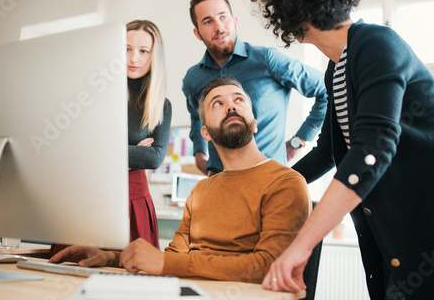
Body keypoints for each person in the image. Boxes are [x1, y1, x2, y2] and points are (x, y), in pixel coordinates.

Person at [253, 0, 434, 299]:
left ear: (293, 13)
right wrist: (269, 188)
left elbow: (372, 148)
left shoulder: (376, 43)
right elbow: (328, 153)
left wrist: (302, 244)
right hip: (399, 226)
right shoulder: (336, 68)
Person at [49, 77, 309, 284]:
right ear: (204, 133)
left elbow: (269, 267)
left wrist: (165, 264)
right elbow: (174, 259)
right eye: (217, 103)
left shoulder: (285, 183)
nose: (231, 105)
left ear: (254, 123)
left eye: (239, 100)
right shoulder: (201, 190)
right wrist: (110, 258)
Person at [49, 20, 171, 256]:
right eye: (126, 48)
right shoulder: (93, 95)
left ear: (154, 56)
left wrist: (103, 151)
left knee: (132, 274)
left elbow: (154, 158)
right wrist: (132, 153)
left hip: (133, 198)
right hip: (90, 191)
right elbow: (79, 148)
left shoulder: (161, 105)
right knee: (71, 266)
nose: (133, 58)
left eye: (143, 51)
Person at [183, 0, 328, 176]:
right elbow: (196, 117)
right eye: (208, 21)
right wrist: (199, 152)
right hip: (219, 181)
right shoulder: (192, 79)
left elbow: (325, 90)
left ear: (234, 21)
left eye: (223, 17)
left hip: (270, 178)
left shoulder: (268, 60)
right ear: (197, 32)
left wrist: (299, 140)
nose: (219, 27)